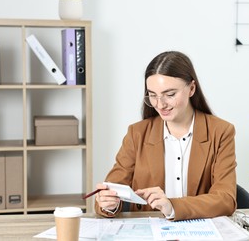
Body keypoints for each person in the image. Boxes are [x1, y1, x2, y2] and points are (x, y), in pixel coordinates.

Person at [94, 51, 237, 221]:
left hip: (199, 232)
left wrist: (173, 206)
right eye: (153, 95)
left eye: (170, 95)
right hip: (147, 232)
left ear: (191, 88)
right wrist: (108, 203)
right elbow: (111, 189)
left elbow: (226, 199)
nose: (160, 104)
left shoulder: (220, 131)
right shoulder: (137, 134)